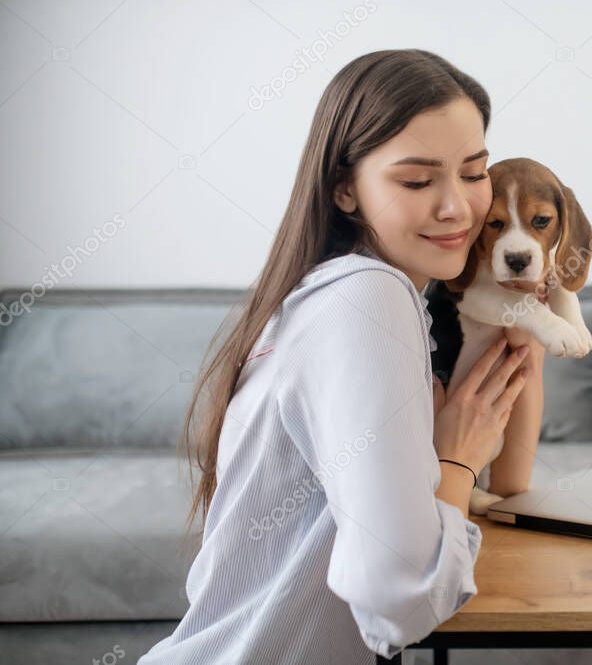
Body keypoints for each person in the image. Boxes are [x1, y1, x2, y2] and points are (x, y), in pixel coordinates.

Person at [139, 48, 546, 664]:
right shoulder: (366, 297)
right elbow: (400, 599)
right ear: (344, 190)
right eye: (416, 180)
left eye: (473, 172)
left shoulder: (343, 294)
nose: (457, 207)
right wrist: (458, 458)